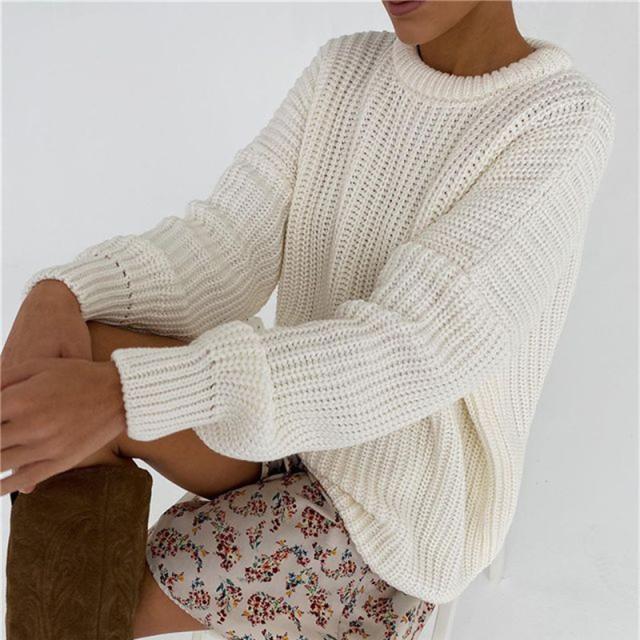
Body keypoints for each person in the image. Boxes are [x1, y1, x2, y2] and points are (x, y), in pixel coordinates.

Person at [2, 1, 615, 638]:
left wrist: (128, 394)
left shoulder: (560, 119)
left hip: (394, 513)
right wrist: (60, 294)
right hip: (289, 429)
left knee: (85, 591)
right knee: (73, 360)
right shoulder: (345, 71)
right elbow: (227, 242)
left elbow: (409, 349)